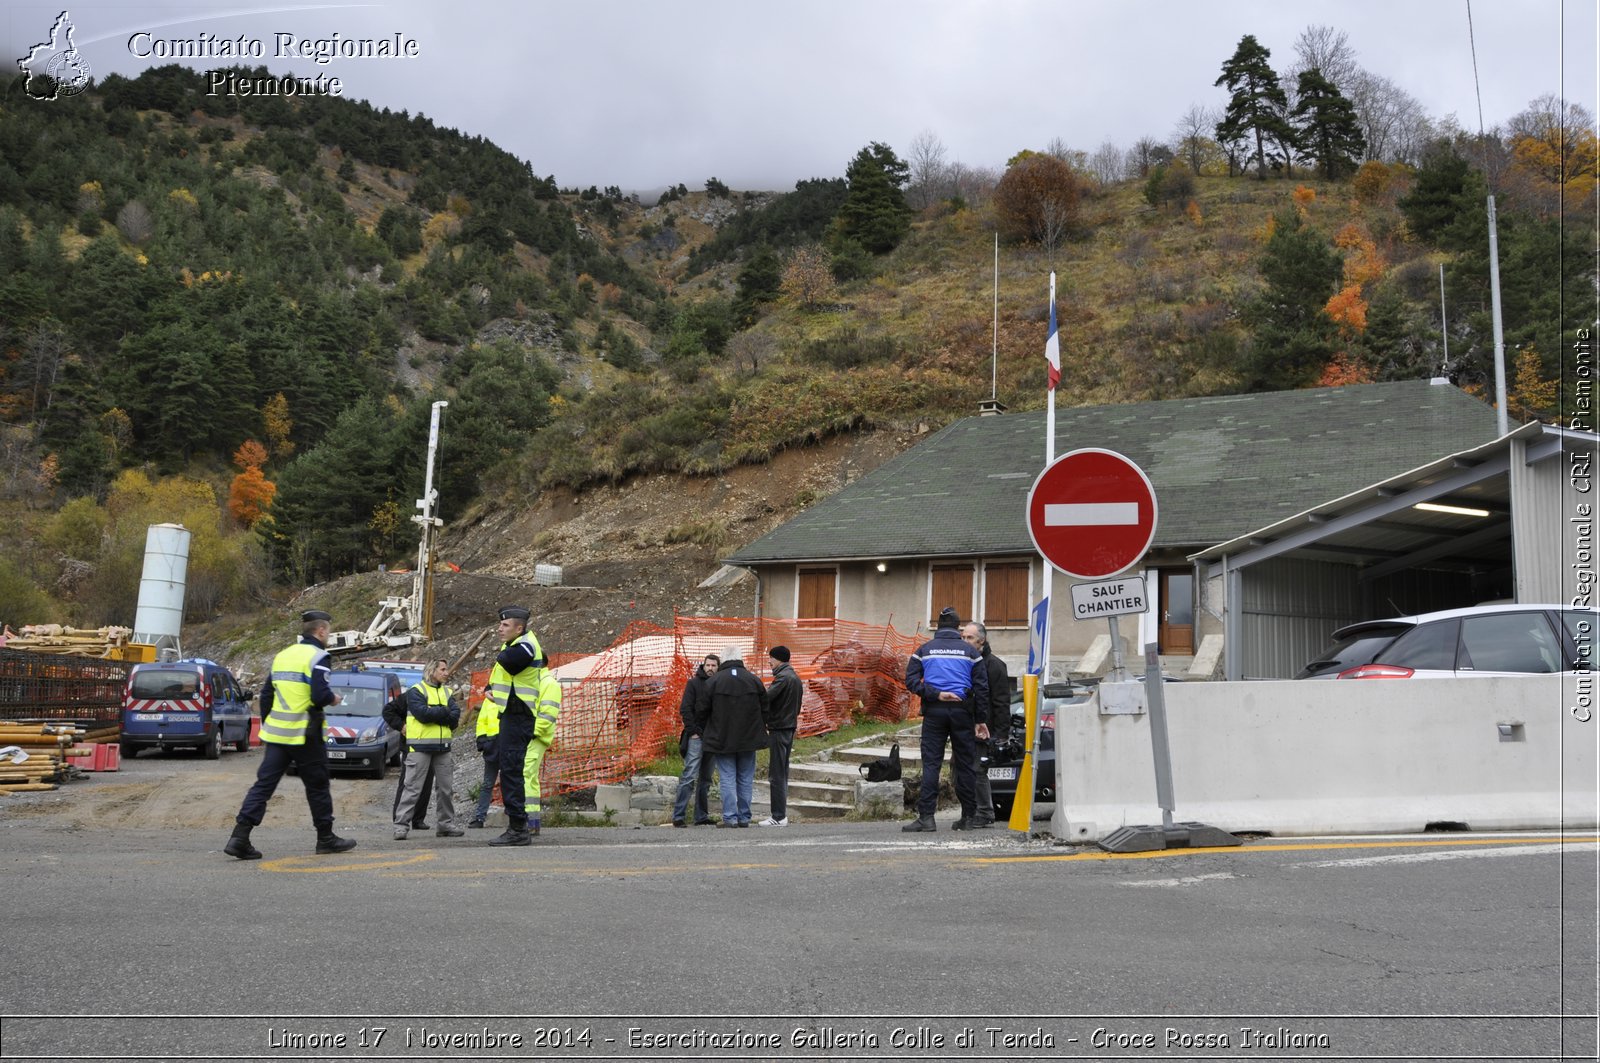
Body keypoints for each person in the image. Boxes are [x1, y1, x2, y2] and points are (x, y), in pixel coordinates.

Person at [223, 610, 357, 859]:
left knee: (263, 785)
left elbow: (266, 695)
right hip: (305, 732)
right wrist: (334, 698)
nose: (327, 635)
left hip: (278, 733)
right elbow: (319, 695)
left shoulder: (282, 656)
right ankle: (326, 838)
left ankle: (239, 837)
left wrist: (268, 724)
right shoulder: (318, 656)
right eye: (327, 631)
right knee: (317, 785)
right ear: (321, 631)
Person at [901, 606, 988, 833]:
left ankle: (927, 818)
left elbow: (910, 680)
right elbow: (982, 688)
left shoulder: (924, 649)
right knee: (966, 766)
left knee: (931, 764)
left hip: (934, 712)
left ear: (938, 627)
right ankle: (968, 817)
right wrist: (980, 720)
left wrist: (935, 694)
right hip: (962, 711)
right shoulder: (971, 652)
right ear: (959, 629)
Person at [482, 606, 550, 846]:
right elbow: (501, 676)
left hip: (519, 715)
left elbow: (508, 661)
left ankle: (518, 829)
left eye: (505, 625)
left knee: (511, 770)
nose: (499, 629)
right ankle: (517, 827)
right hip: (511, 713)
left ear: (519, 628)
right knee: (509, 768)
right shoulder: (517, 643)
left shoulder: (525, 646)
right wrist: (491, 690)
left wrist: (501, 655)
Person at [694, 645, 768, 828]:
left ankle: (730, 817)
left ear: (723, 660)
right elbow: (766, 708)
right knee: (745, 778)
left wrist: (704, 730)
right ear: (740, 658)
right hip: (749, 739)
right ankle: (744, 817)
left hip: (722, 738)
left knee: (727, 778)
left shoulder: (714, 682)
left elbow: (701, 710)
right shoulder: (754, 680)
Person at [392, 659, 464, 840]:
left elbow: (455, 718)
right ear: (431, 671)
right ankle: (401, 825)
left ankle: (445, 825)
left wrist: (439, 713)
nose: (446, 673)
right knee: (412, 788)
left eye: (446, 669)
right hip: (420, 747)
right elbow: (423, 715)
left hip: (443, 748)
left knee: (445, 789)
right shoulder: (417, 691)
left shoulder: (448, 692)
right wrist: (444, 712)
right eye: (442, 669)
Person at [962, 621, 1011, 828]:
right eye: (963, 637)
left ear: (981, 641)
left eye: (969, 638)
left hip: (985, 729)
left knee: (978, 769)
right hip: (964, 727)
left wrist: (1000, 735)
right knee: (961, 770)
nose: (965, 642)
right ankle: (970, 812)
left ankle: (984, 812)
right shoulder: (964, 662)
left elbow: (1002, 702)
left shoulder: (994, 665)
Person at [671, 654, 719, 827]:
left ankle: (701, 816)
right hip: (697, 737)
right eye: (708, 665)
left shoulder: (719, 685)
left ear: (718, 667)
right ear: (703, 666)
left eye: (714, 665)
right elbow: (685, 708)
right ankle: (678, 816)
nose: (711, 668)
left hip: (712, 738)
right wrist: (693, 731)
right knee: (689, 776)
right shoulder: (694, 684)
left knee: (705, 779)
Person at [758, 645, 801, 827]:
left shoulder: (783, 678)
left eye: (771, 658)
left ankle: (778, 816)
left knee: (776, 774)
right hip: (789, 727)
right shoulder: (795, 677)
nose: (769, 661)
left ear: (779, 659)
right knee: (782, 771)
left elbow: (766, 698)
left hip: (779, 728)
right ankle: (780, 815)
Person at [383, 680, 434, 832]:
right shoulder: (411, 695)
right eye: (442, 670)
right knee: (407, 783)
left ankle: (418, 820)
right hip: (411, 746)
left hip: (431, 745)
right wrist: (401, 726)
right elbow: (388, 711)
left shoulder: (441, 694)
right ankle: (399, 819)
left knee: (426, 784)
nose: (445, 673)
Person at [468, 672, 501, 829]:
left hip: (505, 745)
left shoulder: (507, 700)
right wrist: (482, 742)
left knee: (509, 783)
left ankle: (515, 817)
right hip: (492, 746)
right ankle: (480, 818)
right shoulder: (488, 702)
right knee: (488, 783)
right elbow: (481, 722)